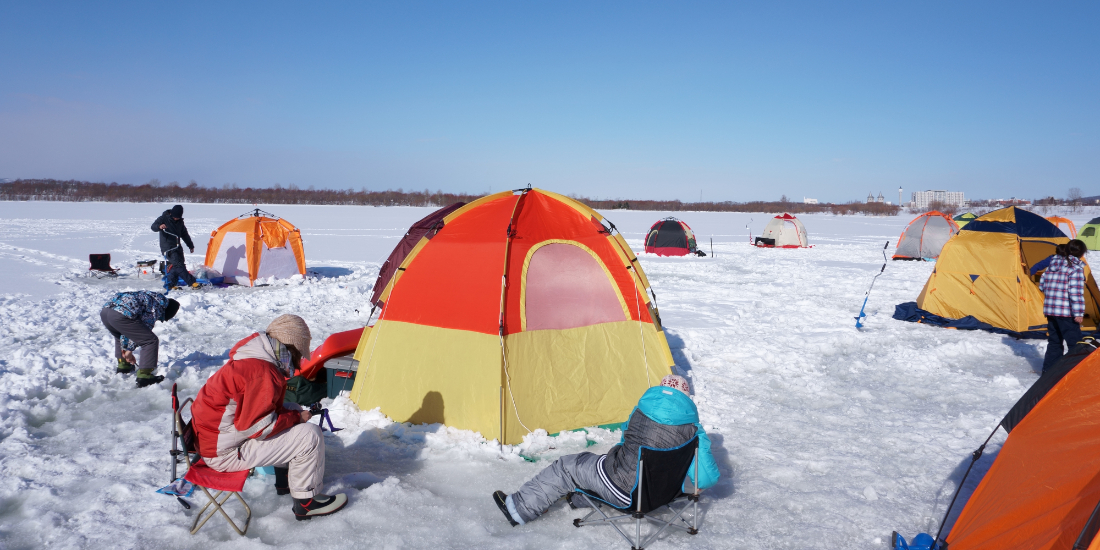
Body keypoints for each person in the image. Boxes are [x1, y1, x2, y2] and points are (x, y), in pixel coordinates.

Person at [493, 374, 720, 526]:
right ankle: (579, 499)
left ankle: (517, 509)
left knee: (569, 466)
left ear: (660, 389)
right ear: (686, 397)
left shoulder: (640, 412)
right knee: (607, 466)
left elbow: (624, 442)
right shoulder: (694, 430)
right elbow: (706, 479)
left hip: (624, 493)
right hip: (659, 496)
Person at [190, 314, 348, 520]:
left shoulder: (252, 360)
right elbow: (258, 428)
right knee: (309, 435)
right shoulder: (261, 372)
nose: (300, 361)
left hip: (214, 441)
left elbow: (258, 415)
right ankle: (307, 501)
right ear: (290, 347)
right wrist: (297, 419)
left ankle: (285, 480)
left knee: (290, 408)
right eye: (299, 353)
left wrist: (292, 413)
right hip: (223, 454)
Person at [100, 290, 180, 387]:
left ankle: (124, 366)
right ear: (166, 311)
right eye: (162, 318)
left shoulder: (152, 297)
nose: (159, 319)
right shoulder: (157, 306)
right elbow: (145, 326)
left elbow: (131, 331)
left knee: (121, 334)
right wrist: (129, 351)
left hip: (106, 312)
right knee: (150, 340)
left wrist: (127, 349)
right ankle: (145, 376)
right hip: (121, 315)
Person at [1040, 239, 1089, 373]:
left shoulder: (1053, 264)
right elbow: (1075, 293)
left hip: (1051, 310)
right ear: (1082, 253)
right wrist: (1078, 313)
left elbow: (1042, 284)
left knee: (1054, 342)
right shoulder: (1076, 268)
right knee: (1075, 344)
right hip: (1066, 313)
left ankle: (1049, 372)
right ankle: (1075, 373)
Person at [152, 204, 200, 290]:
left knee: (176, 266)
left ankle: (170, 284)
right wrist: (159, 226)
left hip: (177, 246)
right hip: (168, 247)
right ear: (171, 214)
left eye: (177, 217)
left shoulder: (180, 222)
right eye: (174, 217)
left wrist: (190, 245)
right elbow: (153, 227)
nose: (175, 218)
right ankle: (192, 282)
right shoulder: (163, 218)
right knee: (178, 265)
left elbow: (184, 234)